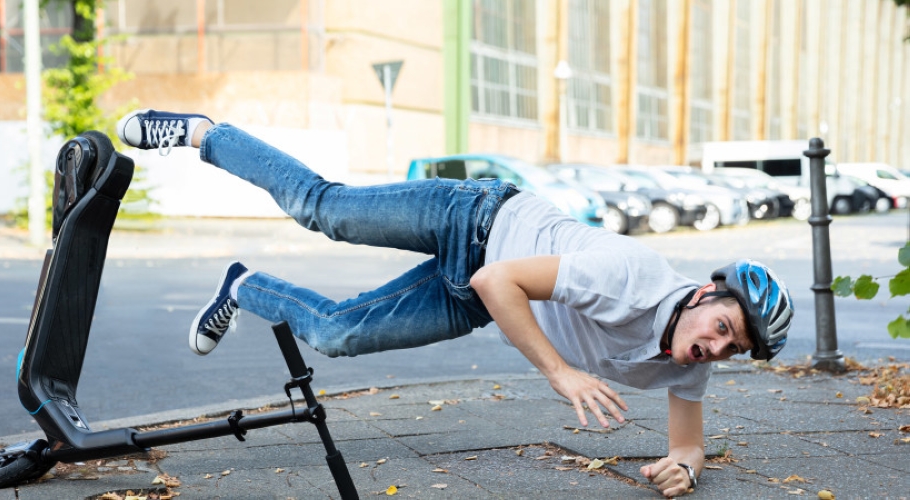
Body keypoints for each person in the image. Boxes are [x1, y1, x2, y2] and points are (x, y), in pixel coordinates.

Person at [116, 109, 794, 497]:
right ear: (707, 293)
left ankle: (243, 286)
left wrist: (684, 468)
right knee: (325, 211)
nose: (715, 347)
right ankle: (206, 133)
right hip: (473, 221)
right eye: (722, 327)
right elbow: (501, 278)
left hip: (476, 300)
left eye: (732, 349)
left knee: (339, 336)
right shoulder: (629, 277)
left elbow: (689, 443)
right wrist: (561, 372)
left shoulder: (690, 362)